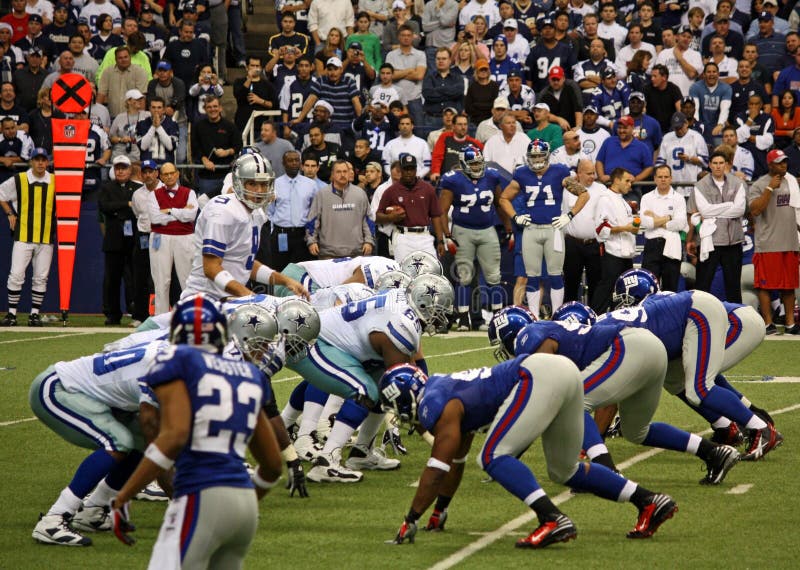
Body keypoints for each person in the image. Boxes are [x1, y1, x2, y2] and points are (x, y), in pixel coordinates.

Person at [382, 354, 677, 549]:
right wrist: (439, 510)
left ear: (405, 395)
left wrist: (411, 518)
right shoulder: (443, 390)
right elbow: (455, 461)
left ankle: (552, 519)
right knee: (566, 470)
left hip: (536, 375)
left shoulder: (435, 402)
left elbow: (437, 468)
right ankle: (649, 501)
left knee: (492, 457)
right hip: (562, 372)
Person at [108, 295, 283, 566]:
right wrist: (246, 498)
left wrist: (123, 497)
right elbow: (272, 465)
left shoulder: (177, 360)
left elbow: (173, 436)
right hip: (244, 506)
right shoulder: (249, 374)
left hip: (201, 494)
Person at [29, 340, 166, 546]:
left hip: (94, 395)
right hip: (58, 387)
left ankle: (92, 511)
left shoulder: (171, 353)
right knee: (119, 441)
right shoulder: (164, 369)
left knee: (141, 445)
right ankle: (54, 519)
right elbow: (157, 445)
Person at [181, 153, 308, 302]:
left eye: (263, 183)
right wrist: (248, 295)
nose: (260, 190)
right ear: (238, 183)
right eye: (253, 184)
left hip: (230, 299)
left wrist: (285, 281)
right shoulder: (222, 211)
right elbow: (211, 268)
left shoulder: (257, 214)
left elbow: (245, 263)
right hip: (204, 299)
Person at [498, 139, 589, 317]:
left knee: (555, 274)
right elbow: (503, 198)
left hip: (553, 229)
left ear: (547, 156)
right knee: (532, 276)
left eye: (540, 155)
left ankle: (556, 315)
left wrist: (569, 215)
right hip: (531, 229)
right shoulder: (522, 173)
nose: (537, 159)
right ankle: (533, 315)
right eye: (534, 156)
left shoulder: (560, 171)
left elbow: (584, 194)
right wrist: (515, 216)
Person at [439, 146, 507, 330]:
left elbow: (501, 204)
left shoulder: (492, 176)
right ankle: (463, 319)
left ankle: (497, 318)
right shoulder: (453, 180)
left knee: (494, 275)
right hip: (463, 230)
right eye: (473, 164)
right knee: (465, 276)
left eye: (479, 163)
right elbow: (442, 210)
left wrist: (508, 229)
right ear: (463, 164)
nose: (477, 167)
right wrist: (447, 236)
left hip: (487, 229)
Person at [747, 149, 800, 335]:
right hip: (768, 243)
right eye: (779, 162)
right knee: (765, 285)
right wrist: (769, 188)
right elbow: (754, 211)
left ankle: (790, 324)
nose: (783, 165)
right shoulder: (759, 185)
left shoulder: (792, 182)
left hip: (790, 242)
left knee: (789, 286)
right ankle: (768, 323)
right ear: (770, 164)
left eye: (785, 161)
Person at [0, 147, 52, 326]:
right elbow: (1, 193)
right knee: (16, 275)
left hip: (46, 237)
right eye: (36, 159)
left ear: (47, 162)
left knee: (40, 277)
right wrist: (9, 213)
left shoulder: (55, 181)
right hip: (23, 235)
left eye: (43, 159)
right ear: (31, 161)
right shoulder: (20, 179)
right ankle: (12, 314)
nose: (40, 163)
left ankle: (34, 314)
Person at [686, 150, 746, 304]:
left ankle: (737, 319)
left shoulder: (737, 183)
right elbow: (704, 211)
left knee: (733, 286)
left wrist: (715, 211)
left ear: (726, 165)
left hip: (734, 241)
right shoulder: (700, 185)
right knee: (703, 284)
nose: (718, 166)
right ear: (710, 165)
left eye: (721, 163)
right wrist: (728, 206)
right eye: (715, 163)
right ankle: (698, 316)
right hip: (709, 242)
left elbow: (740, 210)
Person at [146, 162, 197, 315]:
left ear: (177, 174)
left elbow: (191, 216)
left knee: (188, 279)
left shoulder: (189, 192)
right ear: (160, 176)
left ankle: (192, 316)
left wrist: (168, 211)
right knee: (161, 281)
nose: (169, 176)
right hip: (160, 237)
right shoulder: (153, 194)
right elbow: (155, 218)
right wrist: (180, 213)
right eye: (165, 174)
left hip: (185, 237)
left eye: (171, 173)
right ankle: (160, 320)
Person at [376, 153, 445, 261]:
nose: (408, 172)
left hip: (425, 236)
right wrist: (390, 218)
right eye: (405, 169)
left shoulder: (428, 189)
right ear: (401, 170)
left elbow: (435, 215)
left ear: (416, 169)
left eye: (411, 169)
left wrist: (440, 240)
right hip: (403, 236)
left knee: (431, 272)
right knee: (404, 273)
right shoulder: (391, 191)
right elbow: (378, 215)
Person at [590, 167, 638, 313]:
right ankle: (594, 317)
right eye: (627, 181)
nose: (630, 184)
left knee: (624, 292)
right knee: (606, 287)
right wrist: (626, 228)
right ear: (616, 180)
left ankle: (620, 317)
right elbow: (601, 228)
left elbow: (629, 225)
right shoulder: (605, 199)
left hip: (627, 252)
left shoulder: (623, 201)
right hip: (612, 251)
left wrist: (634, 226)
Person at [98, 155, 138, 325]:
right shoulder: (106, 188)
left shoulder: (138, 188)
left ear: (130, 170)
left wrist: (118, 208)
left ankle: (135, 310)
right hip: (113, 240)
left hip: (132, 240)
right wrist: (126, 205)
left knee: (134, 278)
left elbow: (137, 209)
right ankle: (112, 313)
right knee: (111, 279)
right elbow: (105, 207)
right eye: (118, 168)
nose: (120, 171)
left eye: (124, 168)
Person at [306, 160, 374, 259]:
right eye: (338, 172)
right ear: (332, 174)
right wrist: (312, 241)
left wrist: (369, 241)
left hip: (356, 252)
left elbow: (368, 220)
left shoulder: (360, 194)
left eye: (345, 171)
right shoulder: (322, 194)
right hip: (328, 253)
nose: (342, 175)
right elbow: (313, 220)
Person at [639, 165, 689, 293]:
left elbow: (681, 224)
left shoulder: (679, 198)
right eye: (660, 177)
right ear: (655, 179)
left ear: (671, 178)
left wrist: (656, 218)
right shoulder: (646, 197)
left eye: (666, 177)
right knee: (649, 288)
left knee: (670, 289)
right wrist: (668, 217)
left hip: (672, 245)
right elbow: (646, 223)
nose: (663, 179)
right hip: (652, 246)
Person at [562, 159, 605, 303]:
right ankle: (569, 316)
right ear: (578, 173)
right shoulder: (567, 189)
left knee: (596, 283)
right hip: (572, 243)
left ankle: (595, 317)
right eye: (588, 173)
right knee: (570, 282)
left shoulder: (601, 190)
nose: (592, 176)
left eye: (594, 173)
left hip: (594, 244)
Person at [191, 95, 241, 198]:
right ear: (205, 109)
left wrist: (227, 152)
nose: (212, 109)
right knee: (206, 205)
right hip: (206, 176)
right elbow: (195, 148)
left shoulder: (230, 126)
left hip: (227, 176)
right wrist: (205, 160)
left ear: (220, 108)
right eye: (209, 107)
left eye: (215, 106)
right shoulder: (198, 126)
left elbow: (238, 146)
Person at [595, 115, 653, 202]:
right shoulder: (609, 142)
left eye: (625, 128)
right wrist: (601, 176)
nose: (621, 130)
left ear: (632, 128)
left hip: (631, 189)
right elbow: (599, 161)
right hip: (609, 186)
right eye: (619, 128)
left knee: (631, 213)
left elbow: (649, 167)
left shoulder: (641, 146)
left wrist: (636, 179)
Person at [656, 111, 709, 197]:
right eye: (676, 128)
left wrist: (689, 158)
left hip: (692, 184)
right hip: (672, 185)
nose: (679, 130)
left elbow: (705, 162)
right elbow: (660, 162)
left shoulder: (696, 137)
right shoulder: (666, 137)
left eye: (680, 127)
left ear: (686, 123)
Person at [384, 25, 427, 126]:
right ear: (398, 37)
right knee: (394, 131)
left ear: (412, 37)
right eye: (403, 35)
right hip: (395, 100)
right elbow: (388, 76)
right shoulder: (391, 55)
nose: (406, 38)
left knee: (419, 130)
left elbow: (419, 76)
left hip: (414, 99)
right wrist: (410, 70)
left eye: (408, 35)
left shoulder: (420, 54)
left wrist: (398, 72)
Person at [96, 46, 149, 118]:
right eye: (120, 58)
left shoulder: (140, 72)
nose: (123, 60)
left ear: (130, 57)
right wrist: (96, 115)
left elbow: (142, 98)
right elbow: (101, 95)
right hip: (112, 116)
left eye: (125, 57)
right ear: (115, 59)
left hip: (133, 117)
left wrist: (142, 119)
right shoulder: (107, 72)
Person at [430, 113, 482, 184]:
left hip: (467, 182)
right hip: (447, 180)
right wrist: (435, 172)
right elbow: (437, 156)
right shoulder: (445, 137)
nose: (463, 127)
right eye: (460, 124)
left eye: (465, 124)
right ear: (453, 126)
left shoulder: (475, 143)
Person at [653, 25, 703, 96]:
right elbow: (657, 75)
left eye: (689, 37)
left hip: (687, 96)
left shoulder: (696, 55)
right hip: (667, 96)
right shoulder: (663, 53)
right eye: (683, 36)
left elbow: (692, 74)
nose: (686, 39)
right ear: (677, 37)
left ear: (691, 39)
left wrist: (679, 58)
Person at [233, 55, 277, 134]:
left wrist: (260, 101)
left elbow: (274, 105)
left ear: (260, 68)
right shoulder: (239, 82)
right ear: (247, 67)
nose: (255, 68)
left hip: (261, 127)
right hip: (242, 125)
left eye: (257, 66)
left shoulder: (268, 85)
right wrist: (249, 78)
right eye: (252, 66)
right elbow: (238, 95)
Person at [381, 114, 430, 178]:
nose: (404, 126)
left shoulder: (422, 143)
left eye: (407, 124)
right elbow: (386, 165)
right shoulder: (390, 144)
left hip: (417, 181)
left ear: (412, 126)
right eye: (402, 124)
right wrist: (394, 176)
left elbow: (427, 166)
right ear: (399, 126)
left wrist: (418, 176)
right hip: (395, 182)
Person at [135, 96, 179, 165]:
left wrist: (158, 127)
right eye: (153, 107)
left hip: (166, 166)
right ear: (149, 108)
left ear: (164, 109)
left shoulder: (172, 123)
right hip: (148, 167)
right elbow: (143, 147)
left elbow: (171, 146)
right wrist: (153, 127)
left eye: (159, 107)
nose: (156, 110)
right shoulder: (142, 123)